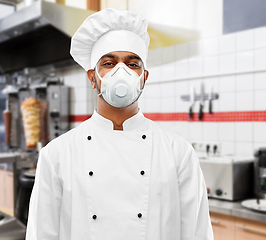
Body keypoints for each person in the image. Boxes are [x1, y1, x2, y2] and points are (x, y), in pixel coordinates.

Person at [26, 8, 213, 240]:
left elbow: (197, 234)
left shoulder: (179, 153)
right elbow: (41, 234)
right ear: (93, 77)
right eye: (109, 63)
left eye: (133, 64)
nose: (121, 72)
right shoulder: (56, 155)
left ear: (144, 78)